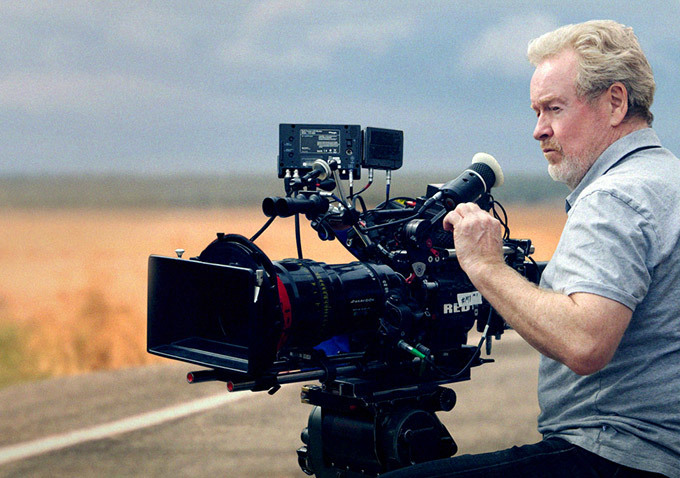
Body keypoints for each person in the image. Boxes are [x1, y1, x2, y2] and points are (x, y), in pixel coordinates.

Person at [382, 20, 679, 478]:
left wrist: (486, 266)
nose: (539, 130)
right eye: (537, 112)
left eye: (554, 109)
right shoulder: (666, 180)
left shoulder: (614, 197)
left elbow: (584, 342)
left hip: (615, 452)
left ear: (615, 102)